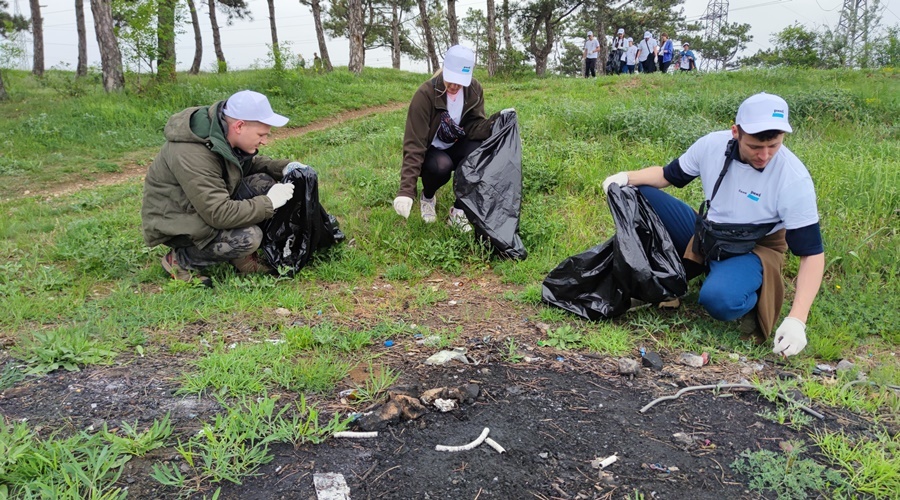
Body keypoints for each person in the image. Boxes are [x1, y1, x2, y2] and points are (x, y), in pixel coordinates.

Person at [602, 93, 824, 358]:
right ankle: (664, 277)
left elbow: (811, 253)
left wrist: (798, 318)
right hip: (708, 232)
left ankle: (746, 291)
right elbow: (667, 175)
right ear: (736, 132)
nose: (764, 155)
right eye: (755, 146)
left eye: (774, 146)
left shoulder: (793, 179)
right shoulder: (711, 146)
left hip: (753, 247)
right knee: (639, 193)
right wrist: (625, 178)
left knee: (718, 300)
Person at [141, 90, 306, 286]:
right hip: (178, 220)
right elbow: (218, 214)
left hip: (203, 206)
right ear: (239, 126)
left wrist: (284, 167)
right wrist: (268, 203)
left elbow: (244, 164)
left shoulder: (221, 133)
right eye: (261, 134)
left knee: (263, 182)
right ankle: (181, 259)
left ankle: (241, 259)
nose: (264, 141)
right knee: (249, 237)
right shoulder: (192, 154)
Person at [392, 45, 510, 232]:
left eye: (460, 81)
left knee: (481, 152)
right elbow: (414, 144)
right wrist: (406, 190)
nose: (455, 86)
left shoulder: (474, 90)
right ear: (444, 70)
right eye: (451, 80)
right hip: (433, 150)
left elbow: (473, 125)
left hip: (456, 142)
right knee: (441, 166)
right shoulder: (425, 95)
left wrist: (495, 125)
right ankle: (428, 197)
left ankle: (458, 210)